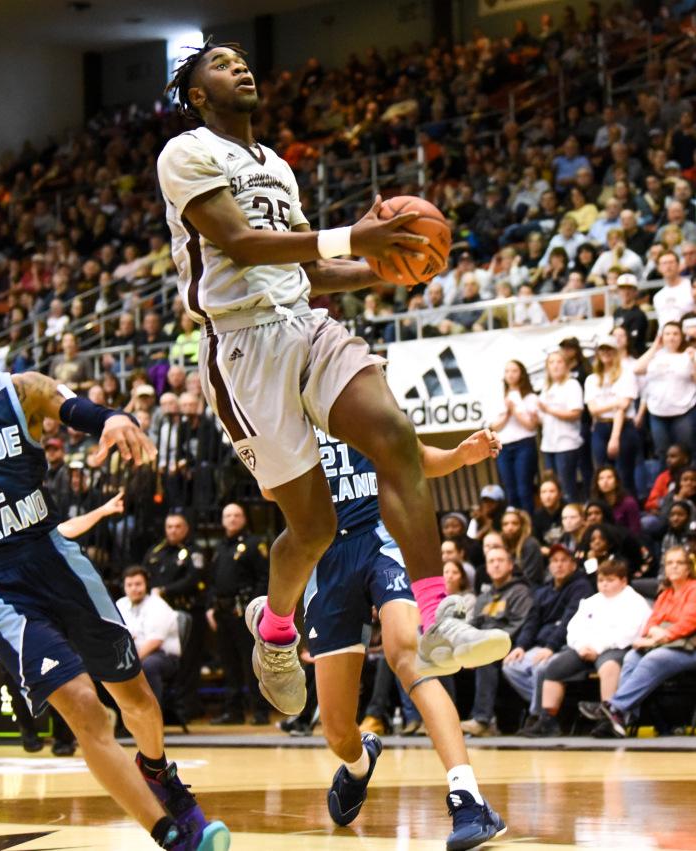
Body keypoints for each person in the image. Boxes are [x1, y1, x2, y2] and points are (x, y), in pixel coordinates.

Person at [158, 39, 506, 714]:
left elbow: (307, 269)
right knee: (311, 528)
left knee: (394, 435)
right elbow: (241, 243)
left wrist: (387, 266)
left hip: (305, 324)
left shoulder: (277, 166)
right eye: (220, 65)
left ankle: (435, 620)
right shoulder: (185, 152)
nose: (239, 66)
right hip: (240, 348)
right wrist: (357, 238)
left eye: (240, 58)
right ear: (198, 94)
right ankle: (277, 629)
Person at [0, 297, 229, 851]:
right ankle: (171, 835)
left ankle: (159, 771)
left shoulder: (22, 390)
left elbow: (86, 411)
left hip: (56, 559)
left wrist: (115, 418)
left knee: (134, 697)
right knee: (83, 708)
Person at [263, 428, 507, 848]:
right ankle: (360, 764)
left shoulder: (364, 402)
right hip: (326, 558)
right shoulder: (292, 409)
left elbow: (418, 458)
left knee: (408, 656)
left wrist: (460, 455)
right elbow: (270, 489)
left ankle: (469, 798)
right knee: (338, 730)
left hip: (381, 538)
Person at [579, 546, 696, 737]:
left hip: (690, 648)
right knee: (633, 656)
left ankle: (615, 708)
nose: (674, 567)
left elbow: (691, 621)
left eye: (679, 563)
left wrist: (664, 635)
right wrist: (651, 633)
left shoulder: (694, 589)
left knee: (653, 658)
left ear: (688, 568)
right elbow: (652, 622)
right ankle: (624, 718)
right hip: (669, 644)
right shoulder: (666, 593)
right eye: (670, 563)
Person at [527, 558, 650, 737]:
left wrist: (598, 649)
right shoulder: (591, 601)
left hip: (617, 648)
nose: (605, 585)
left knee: (609, 667)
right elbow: (573, 628)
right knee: (553, 668)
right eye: (601, 581)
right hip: (584, 650)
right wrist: (580, 646)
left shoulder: (635, 602)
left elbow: (629, 633)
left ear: (623, 581)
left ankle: (609, 720)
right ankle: (548, 720)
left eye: (610, 580)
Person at [501, 545, 593, 728]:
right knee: (511, 665)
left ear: (573, 565)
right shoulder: (543, 591)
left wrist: (550, 648)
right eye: (554, 561)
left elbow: (569, 622)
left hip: (566, 646)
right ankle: (549, 705)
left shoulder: (581, 587)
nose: (558, 565)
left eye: (563, 561)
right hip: (540, 645)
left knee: (541, 668)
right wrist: (520, 646)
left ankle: (537, 716)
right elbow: (532, 621)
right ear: (549, 566)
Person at [206, 502, 271, 725]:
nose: (232, 519)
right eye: (228, 515)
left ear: (244, 518)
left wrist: (253, 609)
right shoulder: (220, 547)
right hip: (222, 613)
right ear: (222, 520)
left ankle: (260, 711)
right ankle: (233, 712)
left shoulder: (254, 544)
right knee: (229, 665)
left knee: (251, 664)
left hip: (244, 612)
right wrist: (210, 608)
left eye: (237, 515)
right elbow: (212, 580)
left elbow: (265, 578)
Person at [460, 546, 533, 737]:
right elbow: (472, 625)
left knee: (485, 659)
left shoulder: (520, 591)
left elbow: (519, 624)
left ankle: (482, 720)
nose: (496, 564)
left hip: (507, 647)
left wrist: (486, 644)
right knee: (445, 661)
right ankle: (447, 721)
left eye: (500, 560)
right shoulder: (484, 596)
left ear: (510, 565)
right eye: (491, 561)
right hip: (481, 646)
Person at [143, 512, 208, 720]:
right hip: (158, 615)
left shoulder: (193, 552)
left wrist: (164, 590)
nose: (173, 530)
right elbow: (143, 577)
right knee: (160, 660)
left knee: (188, 663)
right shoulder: (156, 551)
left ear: (186, 528)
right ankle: (167, 708)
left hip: (186, 612)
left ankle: (186, 709)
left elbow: (194, 580)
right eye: (169, 526)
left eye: (177, 526)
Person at [117, 566, 182, 709]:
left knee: (148, 666)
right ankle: (119, 720)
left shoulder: (157, 605)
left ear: (146, 585)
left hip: (163, 656)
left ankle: (153, 717)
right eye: (130, 585)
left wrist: (131, 662)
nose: (134, 588)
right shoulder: (120, 604)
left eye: (138, 584)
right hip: (132, 655)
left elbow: (155, 641)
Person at [584, 335, 640, 496]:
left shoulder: (626, 374)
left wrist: (614, 437)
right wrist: (615, 402)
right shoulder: (592, 379)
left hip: (624, 427)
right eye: (602, 349)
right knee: (601, 475)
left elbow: (623, 407)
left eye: (609, 349)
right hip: (600, 426)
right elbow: (593, 410)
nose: (605, 353)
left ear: (615, 351)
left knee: (624, 475)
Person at [633, 321, 696, 456]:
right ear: (662, 336)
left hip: (683, 412)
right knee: (663, 453)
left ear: (681, 336)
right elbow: (637, 369)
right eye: (667, 334)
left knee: (686, 452)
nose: (671, 337)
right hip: (657, 413)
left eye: (675, 334)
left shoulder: (688, 355)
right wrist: (655, 346)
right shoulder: (655, 356)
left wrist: (693, 360)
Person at [489, 360, 539, 512]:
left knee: (524, 489)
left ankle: (529, 525)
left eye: (514, 371)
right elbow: (494, 426)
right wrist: (507, 414)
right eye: (507, 371)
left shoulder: (529, 397)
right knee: (511, 490)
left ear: (521, 374)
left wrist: (515, 410)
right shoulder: (498, 396)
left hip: (524, 444)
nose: (510, 375)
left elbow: (531, 425)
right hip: (504, 446)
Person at [538, 350, 584, 503]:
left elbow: (575, 413)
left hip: (566, 443)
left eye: (559, 362)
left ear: (566, 365)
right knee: (552, 485)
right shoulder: (546, 388)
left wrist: (549, 410)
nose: (555, 366)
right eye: (551, 362)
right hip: (549, 444)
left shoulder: (572, 385)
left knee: (567, 486)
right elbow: (543, 417)